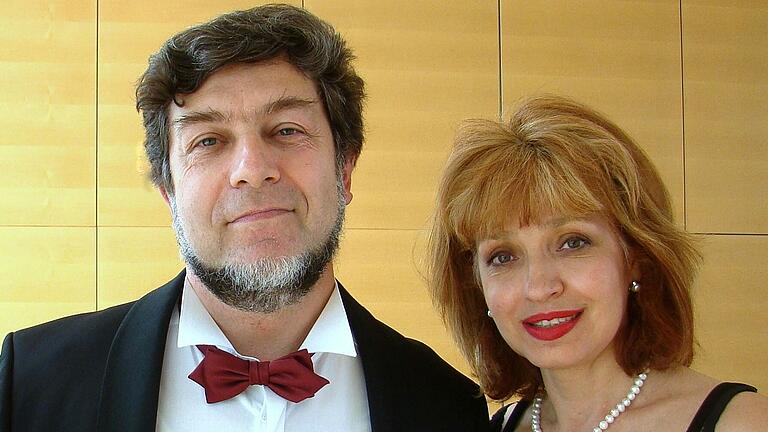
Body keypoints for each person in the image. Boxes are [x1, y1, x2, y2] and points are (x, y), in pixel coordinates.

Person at [0, 5, 489, 432]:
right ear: (168, 189)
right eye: (208, 141)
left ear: (345, 168)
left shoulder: (448, 406)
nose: (252, 172)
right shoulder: (30, 385)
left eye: (287, 129)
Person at [427, 95, 768, 431]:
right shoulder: (498, 426)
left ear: (636, 256)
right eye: (503, 256)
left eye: (573, 243)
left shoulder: (744, 423)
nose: (539, 287)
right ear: (476, 283)